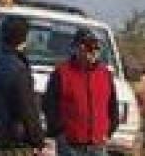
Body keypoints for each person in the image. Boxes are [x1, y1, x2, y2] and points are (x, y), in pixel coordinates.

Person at [43, 28, 119, 156]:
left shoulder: (105, 74)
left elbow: (112, 105)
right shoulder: (61, 73)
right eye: (88, 47)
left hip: (98, 145)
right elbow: (49, 105)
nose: (93, 52)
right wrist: (58, 132)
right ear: (77, 48)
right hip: (70, 145)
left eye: (96, 48)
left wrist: (110, 130)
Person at [0, 16, 45, 155]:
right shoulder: (19, 70)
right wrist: (39, 141)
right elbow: (27, 109)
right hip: (15, 142)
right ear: (25, 38)